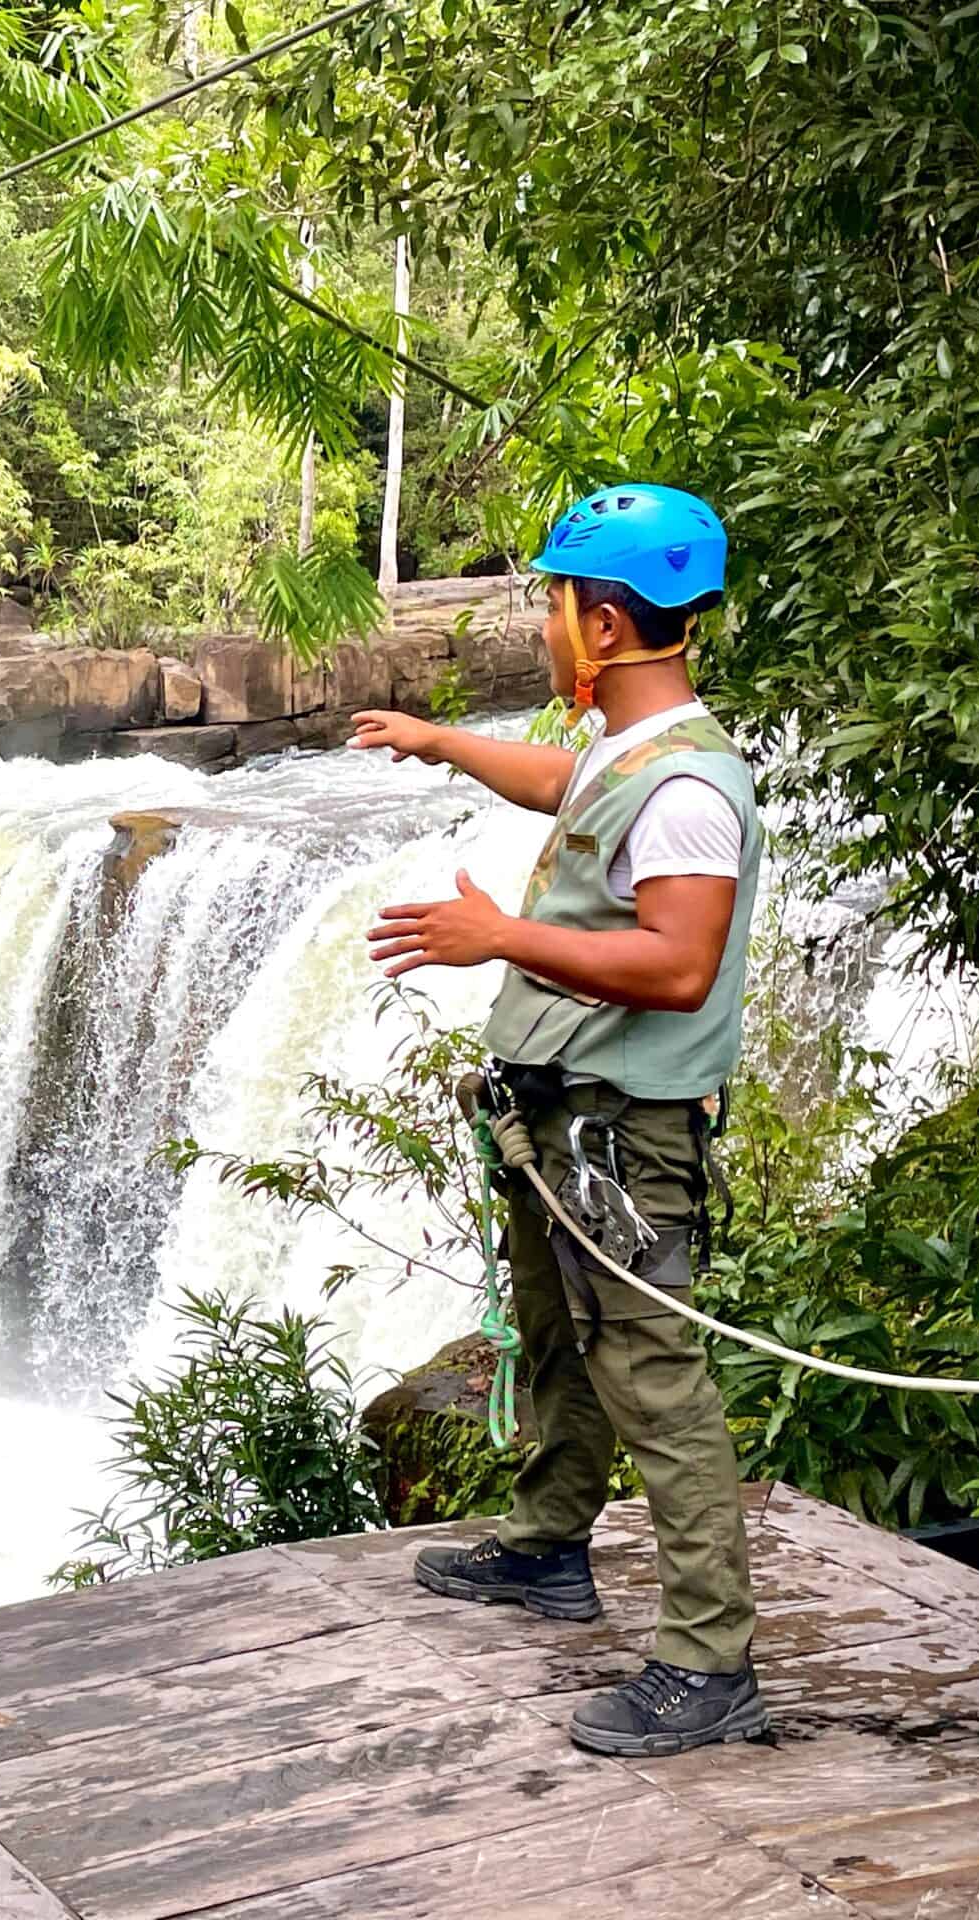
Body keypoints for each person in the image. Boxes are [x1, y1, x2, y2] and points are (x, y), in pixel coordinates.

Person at [347, 483, 768, 1758]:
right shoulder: (632, 756)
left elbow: (678, 963)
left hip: (623, 1137)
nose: (543, 623)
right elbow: (563, 781)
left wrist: (497, 939)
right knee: (557, 1345)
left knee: (652, 1375)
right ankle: (546, 1550)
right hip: (560, 1121)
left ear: (601, 623)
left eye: (552, 603)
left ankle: (710, 1660)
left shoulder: (689, 786)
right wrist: (441, 742)